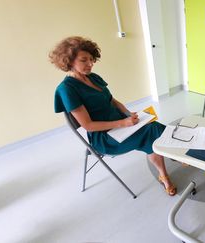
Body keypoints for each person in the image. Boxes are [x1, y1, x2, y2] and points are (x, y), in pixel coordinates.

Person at [50, 36, 176, 196]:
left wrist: (128, 113)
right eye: (83, 60)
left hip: (121, 125)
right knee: (152, 131)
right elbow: (88, 125)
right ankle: (176, 156)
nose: (90, 64)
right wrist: (123, 122)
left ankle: (166, 168)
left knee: (152, 128)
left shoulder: (93, 78)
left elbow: (113, 101)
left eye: (91, 59)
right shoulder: (67, 89)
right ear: (69, 61)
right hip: (104, 138)